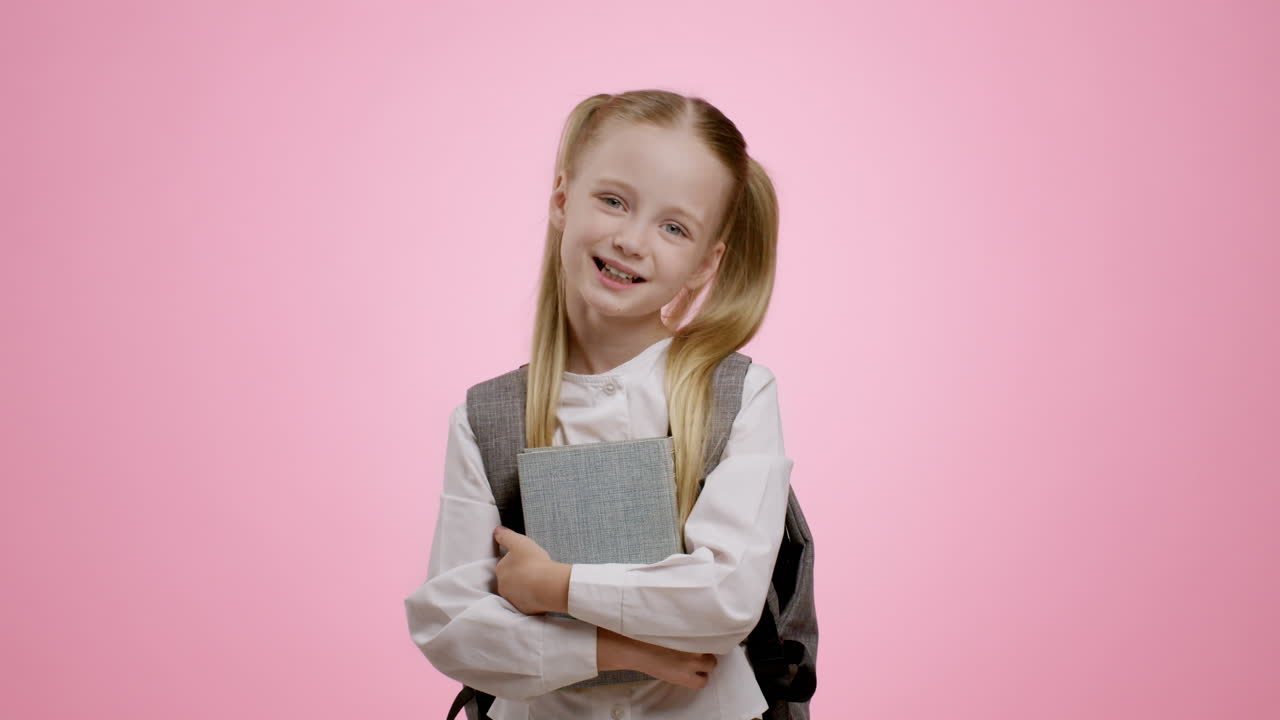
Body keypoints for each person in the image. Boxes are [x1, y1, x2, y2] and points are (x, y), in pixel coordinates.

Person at [404, 88, 794, 720]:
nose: (632, 240)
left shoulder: (736, 394)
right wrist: (619, 649)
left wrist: (554, 587)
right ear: (562, 199)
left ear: (705, 263)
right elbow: (451, 626)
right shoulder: (487, 418)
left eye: (674, 227)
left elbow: (725, 600)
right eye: (613, 201)